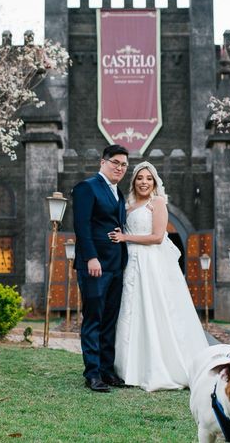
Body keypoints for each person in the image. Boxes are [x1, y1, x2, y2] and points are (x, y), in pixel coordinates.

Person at [109, 161, 209, 391]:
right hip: (130, 262)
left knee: (153, 310)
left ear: (154, 182)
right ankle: (128, 368)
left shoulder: (158, 203)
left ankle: (158, 366)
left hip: (150, 262)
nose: (144, 182)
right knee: (130, 311)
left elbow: (156, 237)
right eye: (140, 178)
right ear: (134, 181)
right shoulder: (128, 205)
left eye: (149, 178)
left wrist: (125, 238)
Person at [72, 144, 130, 393]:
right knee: (94, 318)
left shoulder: (119, 193)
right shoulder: (87, 187)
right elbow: (82, 226)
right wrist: (91, 258)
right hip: (95, 265)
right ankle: (92, 374)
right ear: (102, 162)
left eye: (124, 165)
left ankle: (107, 370)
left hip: (116, 265)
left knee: (109, 320)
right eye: (115, 162)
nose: (120, 168)